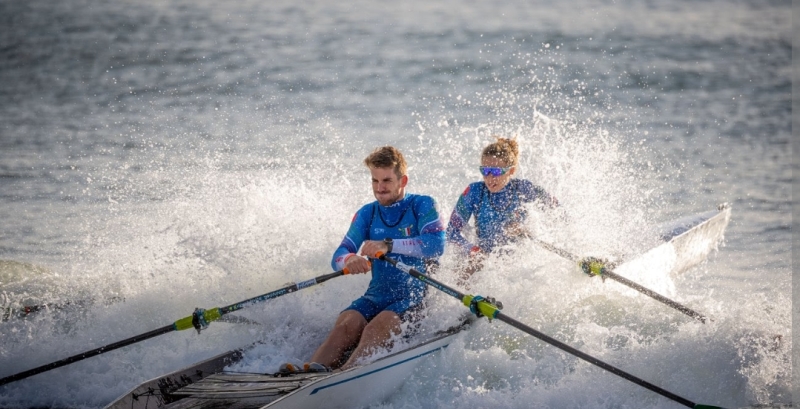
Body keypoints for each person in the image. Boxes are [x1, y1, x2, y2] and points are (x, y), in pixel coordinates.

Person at [283, 146, 446, 373]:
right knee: (346, 324)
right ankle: (307, 374)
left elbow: (436, 245)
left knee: (376, 328)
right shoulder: (366, 213)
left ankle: (341, 376)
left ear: (403, 180)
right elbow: (339, 254)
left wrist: (388, 245)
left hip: (414, 298)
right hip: (376, 296)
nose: (380, 188)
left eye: (387, 180)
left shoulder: (422, 205)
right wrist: (349, 259)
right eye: (375, 181)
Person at [446, 137, 558, 283]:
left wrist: (527, 230)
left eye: (496, 172)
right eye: (485, 171)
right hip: (483, 258)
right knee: (464, 272)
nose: (490, 177)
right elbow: (451, 232)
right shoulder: (474, 192)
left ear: (511, 171)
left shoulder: (524, 189)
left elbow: (557, 211)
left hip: (518, 262)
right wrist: (473, 250)